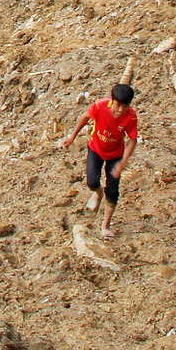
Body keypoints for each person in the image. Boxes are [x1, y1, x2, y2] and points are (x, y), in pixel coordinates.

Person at [61, 82, 139, 239]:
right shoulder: (99, 106)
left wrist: (122, 162)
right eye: (118, 105)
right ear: (112, 101)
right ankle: (97, 194)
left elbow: (132, 139)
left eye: (125, 106)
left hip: (115, 155)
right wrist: (72, 137)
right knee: (92, 181)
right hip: (96, 148)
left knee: (112, 191)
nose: (121, 110)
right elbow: (85, 117)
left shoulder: (131, 117)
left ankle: (106, 225)